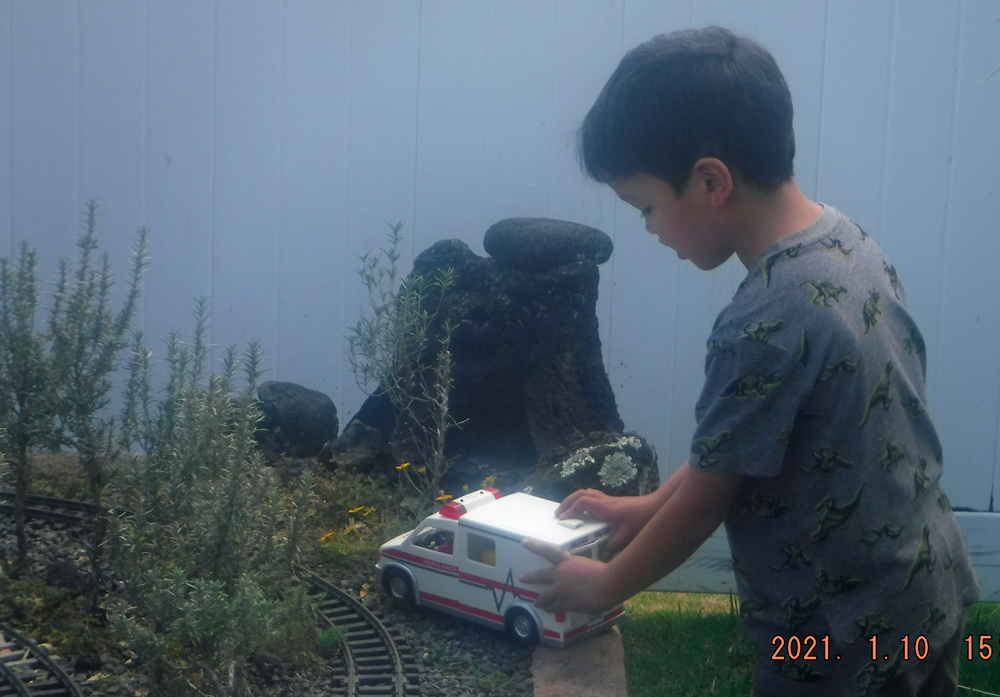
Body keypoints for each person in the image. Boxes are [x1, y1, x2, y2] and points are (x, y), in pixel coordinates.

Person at [520, 26, 980, 697]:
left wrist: (605, 582)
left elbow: (708, 500)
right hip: (923, 596)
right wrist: (645, 506)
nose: (648, 228)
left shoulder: (762, 320)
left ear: (711, 181)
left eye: (646, 206)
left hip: (836, 641)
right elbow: (735, 447)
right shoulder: (849, 246)